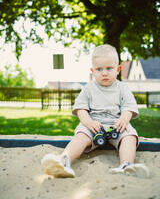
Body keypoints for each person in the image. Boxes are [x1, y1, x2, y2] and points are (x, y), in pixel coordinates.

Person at [41, 44, 150, 179]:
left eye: (109, 68)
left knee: (130, 136)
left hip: (116, 125)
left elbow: (128, 108)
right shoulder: (88, 89)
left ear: (118, 69)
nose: (104, 72)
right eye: (99, 69)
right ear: (93, 71)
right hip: (93, 125)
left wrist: (124, 119)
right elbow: (81, 108)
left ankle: (126, 165)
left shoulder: (123, 88)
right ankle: (64, 161)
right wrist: (88, 122)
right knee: (80, 136)